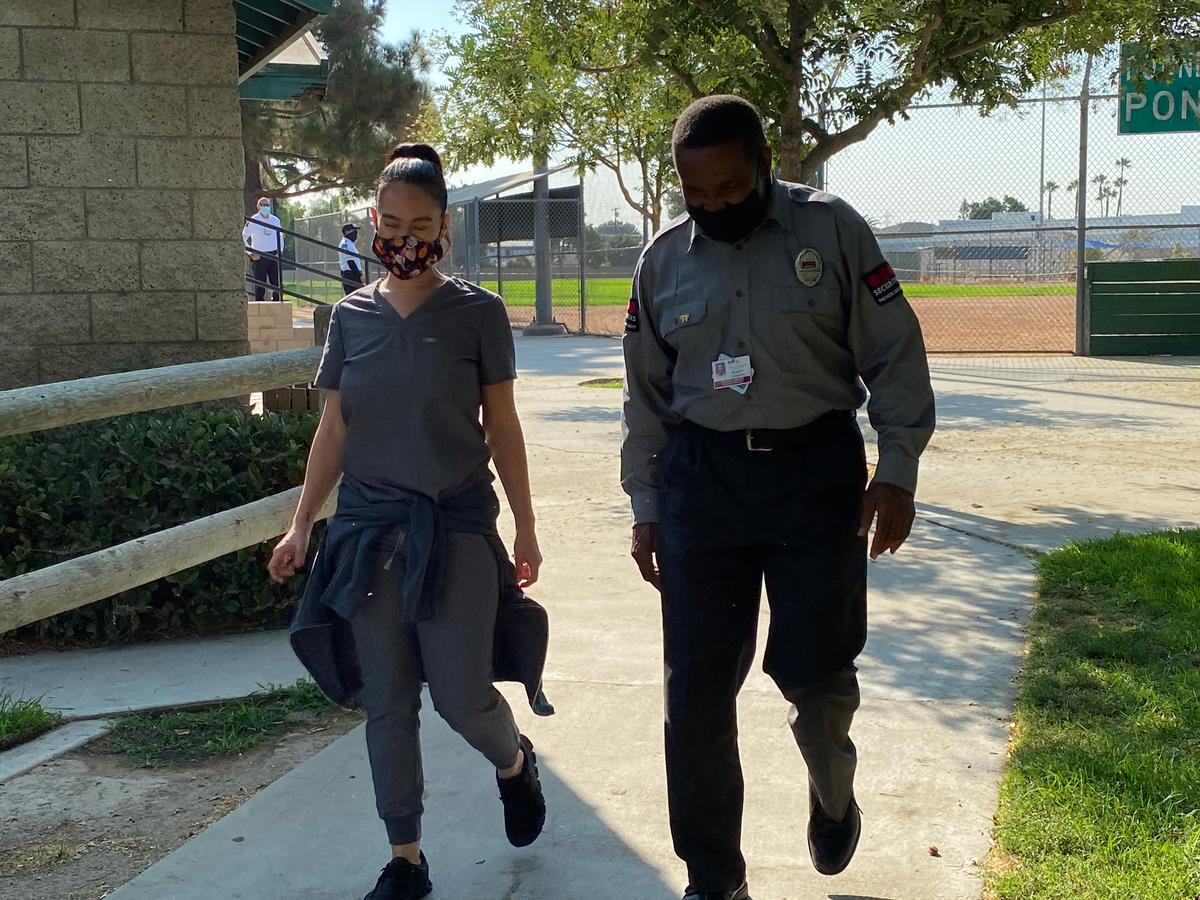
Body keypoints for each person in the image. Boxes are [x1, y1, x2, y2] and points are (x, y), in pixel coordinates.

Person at [621, 95, 936, 900]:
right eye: (698, 194)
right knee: (693, 692)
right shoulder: (660, 262)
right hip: (703, 483)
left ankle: (832, 790)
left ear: (764, 165)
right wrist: (646, 505)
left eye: (730, 188)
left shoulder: (830, 231)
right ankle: (713, 877)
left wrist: (895, 470)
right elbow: (646, 400)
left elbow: (895, 356)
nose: (715, 206)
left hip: (813, 474)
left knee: (816, 678)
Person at [267, 142, 548, 900]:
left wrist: (524, 525)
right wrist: (300, 526)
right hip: (366, 535)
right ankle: (407, 859)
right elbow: (334, 429)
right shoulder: (348, 318)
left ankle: (515, 760)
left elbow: (504, 426)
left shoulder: (478, 314)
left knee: (460, 696)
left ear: (446, 228)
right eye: (391, 222)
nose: (405, 237)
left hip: (453, 526)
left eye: (421, 223)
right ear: (371, 222)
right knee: (386, 700)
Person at [243, 196, 283, 301]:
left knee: (276, 284)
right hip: (259, 256)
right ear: (258, 206)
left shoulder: (275, 220)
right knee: (260, 286)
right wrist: (250, 252)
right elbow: (244, 236)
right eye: (263, 205)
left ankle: (276, 303)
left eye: (267, 205)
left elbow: (281, 237)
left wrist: (280, 251)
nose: (265, 207)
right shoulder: (253, 220)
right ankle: (259, 306)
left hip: (274, 255)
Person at [339, 222, 366, 295]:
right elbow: (350, 262)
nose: (356, 233)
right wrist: (360, 276)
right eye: (354, 231)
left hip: (353, 274)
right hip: (350, 275)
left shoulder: (350, 244)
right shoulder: (345, 244)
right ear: (347, 232)